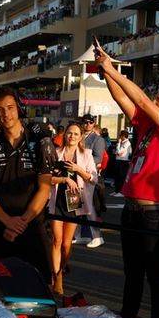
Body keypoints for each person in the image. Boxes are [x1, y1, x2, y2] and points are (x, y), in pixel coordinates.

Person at [93, 42, 159, 318]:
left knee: (156, 276)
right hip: (133, 211)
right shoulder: (146, 127)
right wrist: (106, 71)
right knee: (132, 274)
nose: (154, 102)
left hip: (153, 214)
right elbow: (122, 98)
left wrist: (115, 70)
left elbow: (141, 98)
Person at [0, 87, 55, 277]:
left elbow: (44, 189)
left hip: (33, 230)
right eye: (0, 109)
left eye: (10, 107)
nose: (6, 114)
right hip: (1, 230)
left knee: (39, 291)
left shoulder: (39, 141)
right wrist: (7, 222)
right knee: (1, 291)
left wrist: (21, 223)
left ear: (19, 109)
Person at [47, 121, 97, 296]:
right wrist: (65, 179)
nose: (72, 136)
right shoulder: (56, 153)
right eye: (69, 133)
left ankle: (60, 271)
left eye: (76, 134)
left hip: (75, 203)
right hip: (57, 201)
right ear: (65, 134)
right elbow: (47, 179)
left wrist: (78, 169)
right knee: (56, 241)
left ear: (81, 137)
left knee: (67, 244)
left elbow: (93, 178)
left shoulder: (86, 154)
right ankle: (57, 277)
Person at [75, 114, 106, 248]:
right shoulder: (79, 135)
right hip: (76, 172)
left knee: (88, 206)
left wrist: (82, 164)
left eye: (90, 122)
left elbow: (98, 158)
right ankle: (79, 235)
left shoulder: (97, 139)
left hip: (88, 174)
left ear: (94, 123)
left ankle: (97, 236)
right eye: (85, 122)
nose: (88, 124)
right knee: (76, 205)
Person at [112, 129, 132, 194]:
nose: (120, 137)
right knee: (117, 176)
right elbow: (115, 152)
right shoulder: (122, 142)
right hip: (118, 160)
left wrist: (118, 144)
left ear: (123, 136)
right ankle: (116, 190)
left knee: (121, 176)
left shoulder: (127, 143)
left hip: (123, 161)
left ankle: (121, 191)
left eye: (120, 135)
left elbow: (119, 152)